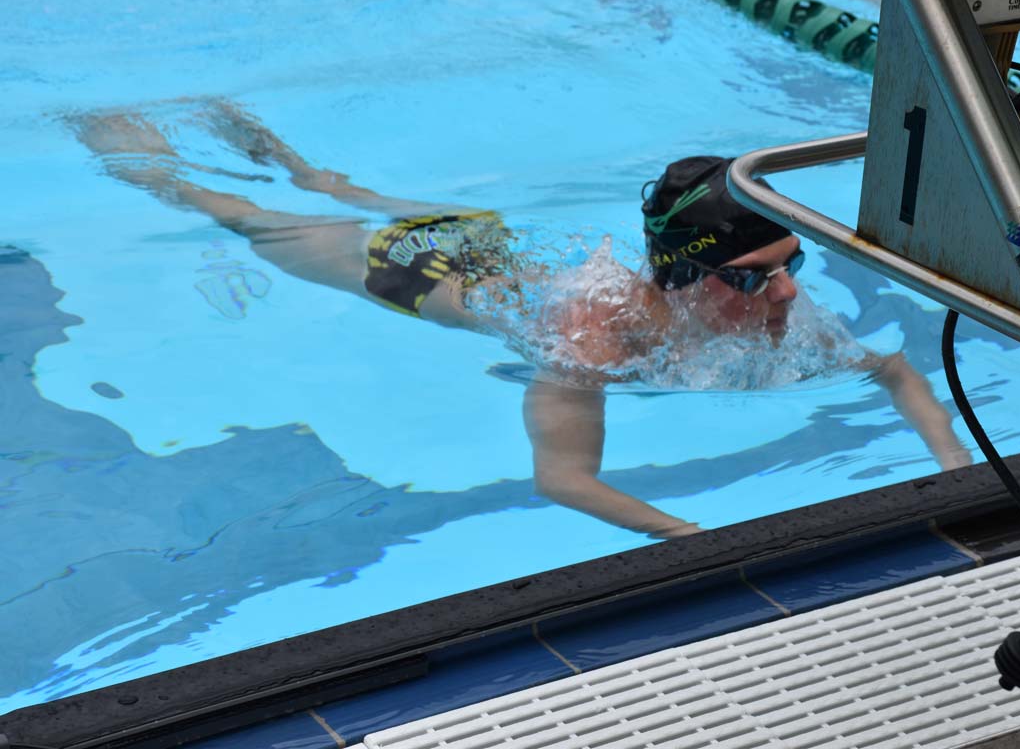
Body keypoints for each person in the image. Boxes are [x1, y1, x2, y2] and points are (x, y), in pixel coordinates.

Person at [72, 102, 970, 540]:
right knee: (244, 217)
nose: (784, 298)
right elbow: (565, 481)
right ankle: (134, 147)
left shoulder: (765, 296)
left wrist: (954, 468)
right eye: (753, 280)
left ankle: (290, 156)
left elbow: (890, 370)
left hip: (496, 243)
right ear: (686, 276)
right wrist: (710, 543)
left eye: (789, 267)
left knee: (339, 193)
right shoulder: (598, 330)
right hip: (419, 272)